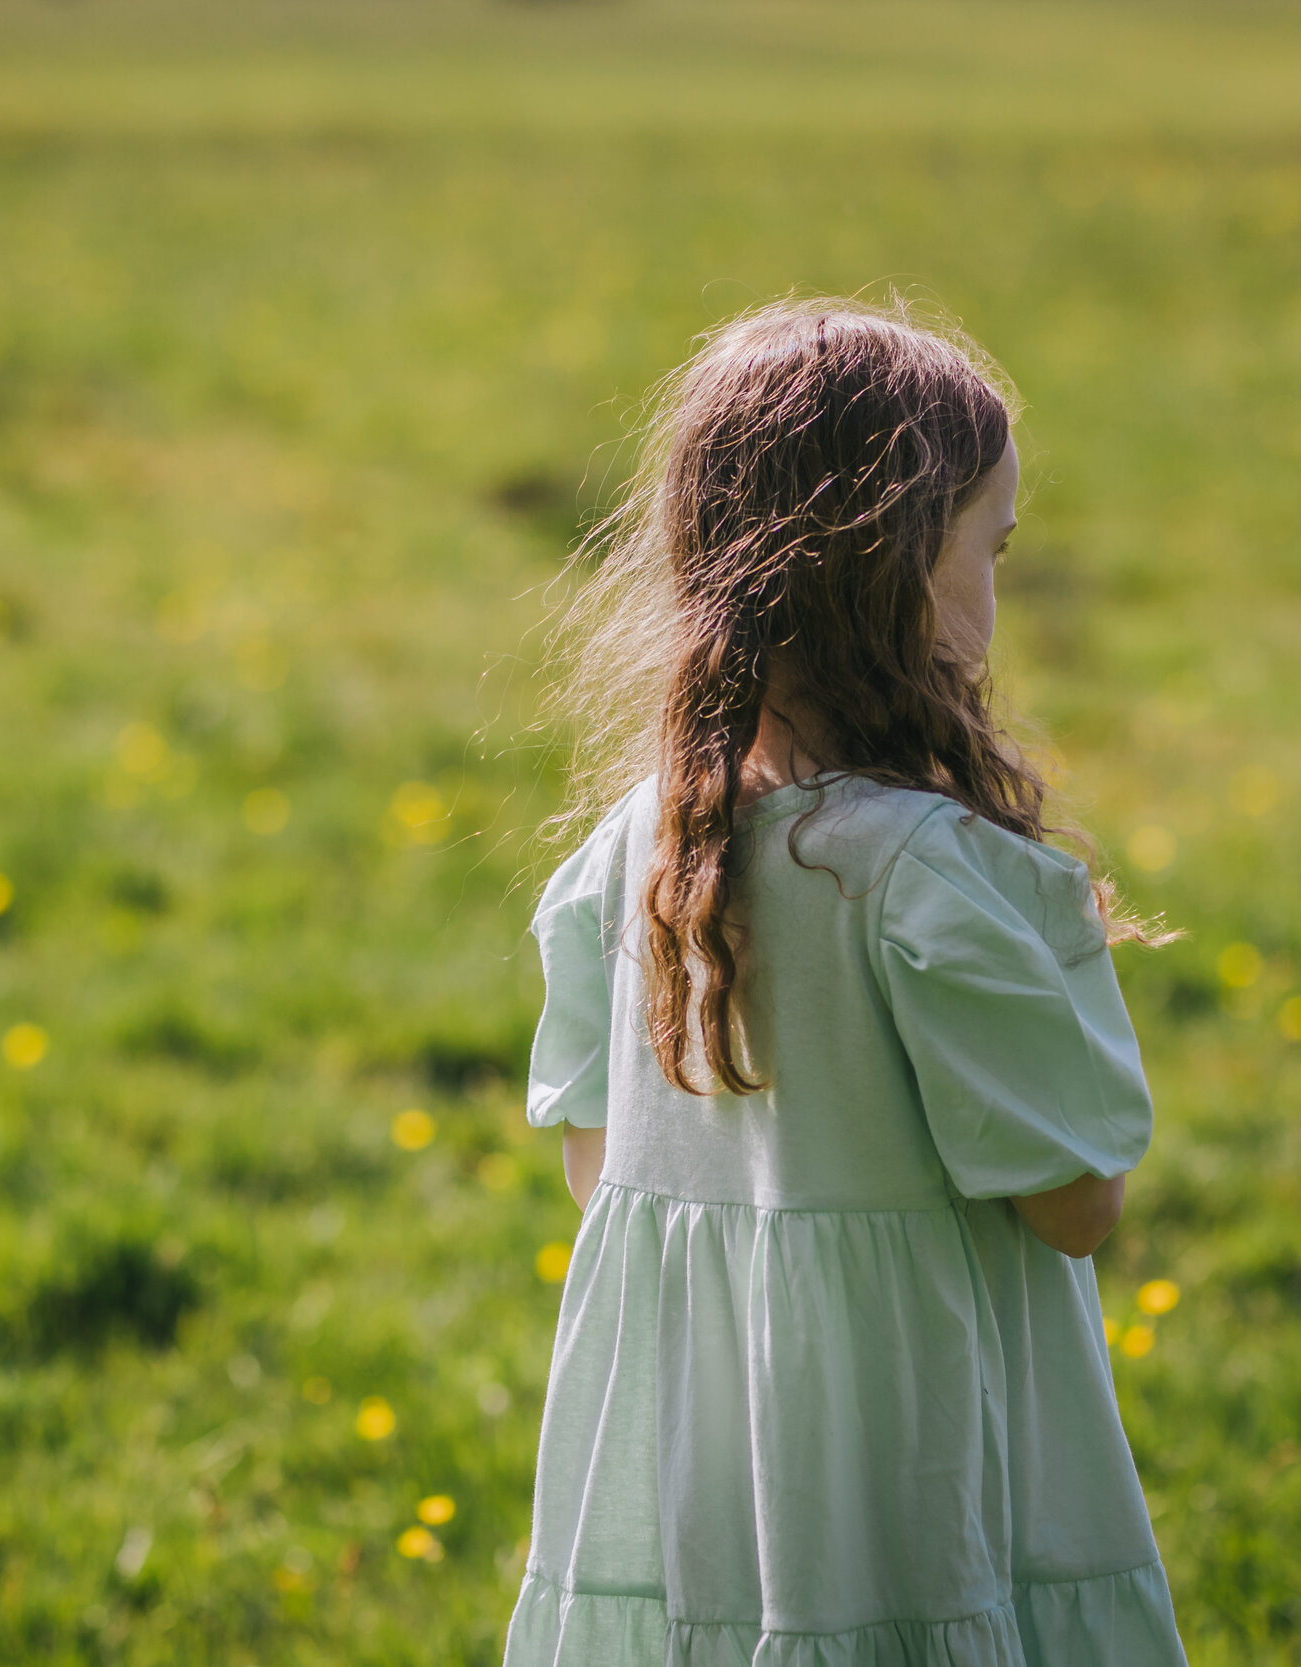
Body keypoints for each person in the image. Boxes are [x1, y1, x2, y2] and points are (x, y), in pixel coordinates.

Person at [505, 296, 1186, 1667]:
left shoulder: (636, 845)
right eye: (983, 550)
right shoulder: (930, 882)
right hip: (909, 1460)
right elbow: (1074, 1202)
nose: (995, 591)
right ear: (890, 574)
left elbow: (598, 1166)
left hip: (706, 1473)